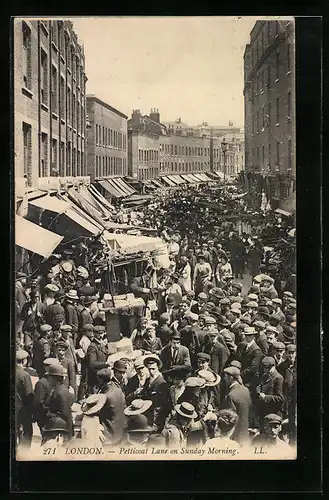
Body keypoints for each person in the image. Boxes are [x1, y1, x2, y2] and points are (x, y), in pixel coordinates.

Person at [97, 361, 127, 446]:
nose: (122, 375)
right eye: (120, 372)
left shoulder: (106, 394)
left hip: (108, 433)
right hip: (119, 432)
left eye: (123, 372)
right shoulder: (118, 389)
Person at [252, 356, 284, 431]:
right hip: (263, 411)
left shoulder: (278, 378)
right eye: (265, 368)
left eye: (268, 368)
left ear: (273, 366)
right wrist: (258, 391)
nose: (266, 370)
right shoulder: (264, 376)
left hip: (273, 413)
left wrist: (265, 397)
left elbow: (280, 398)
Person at [221, 366, 251, 446]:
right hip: (245, 434)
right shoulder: (246, 390)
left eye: (225, 377)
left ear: (230, 378)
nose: (224, 379)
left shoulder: (231, 395)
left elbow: (230, 419)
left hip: (235, 436)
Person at [43, 362, 73, 440]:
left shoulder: (61, 392)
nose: (48, 379)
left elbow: (64, 414)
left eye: (49, 377)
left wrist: (48, 414)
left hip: (62, 431)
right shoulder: (58, 389)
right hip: (58, 429)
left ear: (53, 378)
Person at [141, 355, 170, 432]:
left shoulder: (162, 383)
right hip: (147, 413)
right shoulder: (147, 380)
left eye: (153, 369)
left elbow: (164, 404)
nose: (151, 371)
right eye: (149, 369)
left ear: (158, 368)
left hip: (157, 416)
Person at [15, 349, 34, 448]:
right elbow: (29, 395)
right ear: (24, 361)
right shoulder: (25, 375)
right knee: (27, 433)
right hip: (23, 410)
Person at [86, 325, 109, 394]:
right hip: (96, 376)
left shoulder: (102, 344)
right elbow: (92, 364)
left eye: (102, 333)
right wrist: (105, 364)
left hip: (103, 374)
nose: (100, 335)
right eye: (98, 333)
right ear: (94, 334)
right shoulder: (92, 346)